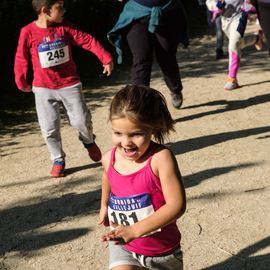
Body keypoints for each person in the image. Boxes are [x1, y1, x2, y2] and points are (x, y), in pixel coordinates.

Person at [14, 0, 114, 177]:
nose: (64, 11)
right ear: (45, 11)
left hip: (69, 84)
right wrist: (21, 80)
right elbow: (21, 58)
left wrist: (105, 58)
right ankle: (57, 159)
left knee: (81, 120)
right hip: (43, 87)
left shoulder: (65, 27)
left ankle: (88, 141)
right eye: (60, 8)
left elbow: (87, 40)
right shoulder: (28, 32)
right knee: (49, 127)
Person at [98, 85, 186, 269]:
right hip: (124, 245)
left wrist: (135, 230)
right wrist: (104, 204)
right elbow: (107, 176)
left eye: (136, 134)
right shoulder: (109, 158)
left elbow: (176, 205)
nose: (126, 142)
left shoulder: (160, 159)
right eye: (117, 133)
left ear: (152, 128)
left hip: (161, 251)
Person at [107, 0, 188, 109]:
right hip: (136, 14)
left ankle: (175, 89)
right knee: (141, 60)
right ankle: (140, 106)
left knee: (166, 58)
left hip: (168, 12)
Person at [216, 0, 263, 90]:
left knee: (233, 46)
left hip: (239, 16)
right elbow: (213, 6)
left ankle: (232, 78)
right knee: (236, 44)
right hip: (225, 20)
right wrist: (219, 4)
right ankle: (256, 39)